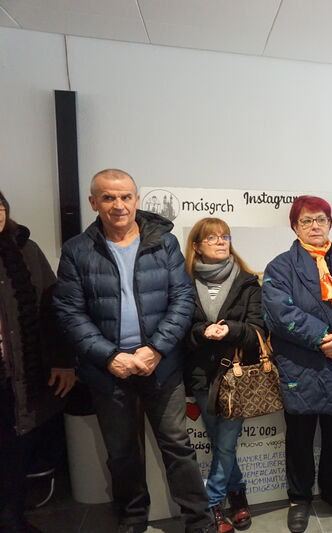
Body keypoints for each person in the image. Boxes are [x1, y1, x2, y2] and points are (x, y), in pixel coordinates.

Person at [53, 169, 213, 533]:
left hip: (162, 366)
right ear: (94, 202)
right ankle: (133, 517)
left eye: (125, 196)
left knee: (178, 446)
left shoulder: (164, 242)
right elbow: (69, 312)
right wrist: (110, 356)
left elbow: (182, 299)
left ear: (136, 200)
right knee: (122, 452)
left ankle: (199, 521)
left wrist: (156, 349)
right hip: (107, 370)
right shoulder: (77, 250)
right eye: (108, 198)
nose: (118, 205)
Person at [262, 195, 332, 533]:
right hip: (301, 365)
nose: (315, 226)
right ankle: (299, 498)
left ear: (330, 223)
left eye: (321, 219)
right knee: (299, 436)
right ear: (295, 227)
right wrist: (328, 341)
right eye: (307, 220)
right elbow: (280, 314)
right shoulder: (280, 266)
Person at [0, 191, 76, 533]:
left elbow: (51, 309)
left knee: (16, 450)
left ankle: (11, 518)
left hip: (19, 374)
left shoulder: (25, 250)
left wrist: (63, 362)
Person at [184, 218, 265, 533]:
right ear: (196, 246)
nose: (220, 241)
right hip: (202, 376)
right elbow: (181, 330)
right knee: (220, 442)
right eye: (212, 237)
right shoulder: (184, 283)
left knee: (226, 443)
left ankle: (212, 504)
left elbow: (258, 330)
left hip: (236, 377)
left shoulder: (247, 282)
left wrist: (230, 329)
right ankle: (238, 493)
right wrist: (202, 331)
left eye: (225, 236)